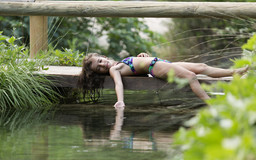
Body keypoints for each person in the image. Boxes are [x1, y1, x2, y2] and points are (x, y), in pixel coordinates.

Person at [78, 53, 249, 108]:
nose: (102, 64)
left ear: (103, 56)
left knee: (201, 66)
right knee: (191, 77)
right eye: (98, 68)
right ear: (99, 73)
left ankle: (234, 72)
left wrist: (142, 55)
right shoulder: (115, 70)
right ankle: (211, 104)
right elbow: (118, 83)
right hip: (156, 67)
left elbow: (136, 66)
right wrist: (120, 101)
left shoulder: (119, 62)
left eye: (100, 60)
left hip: (159, 62)